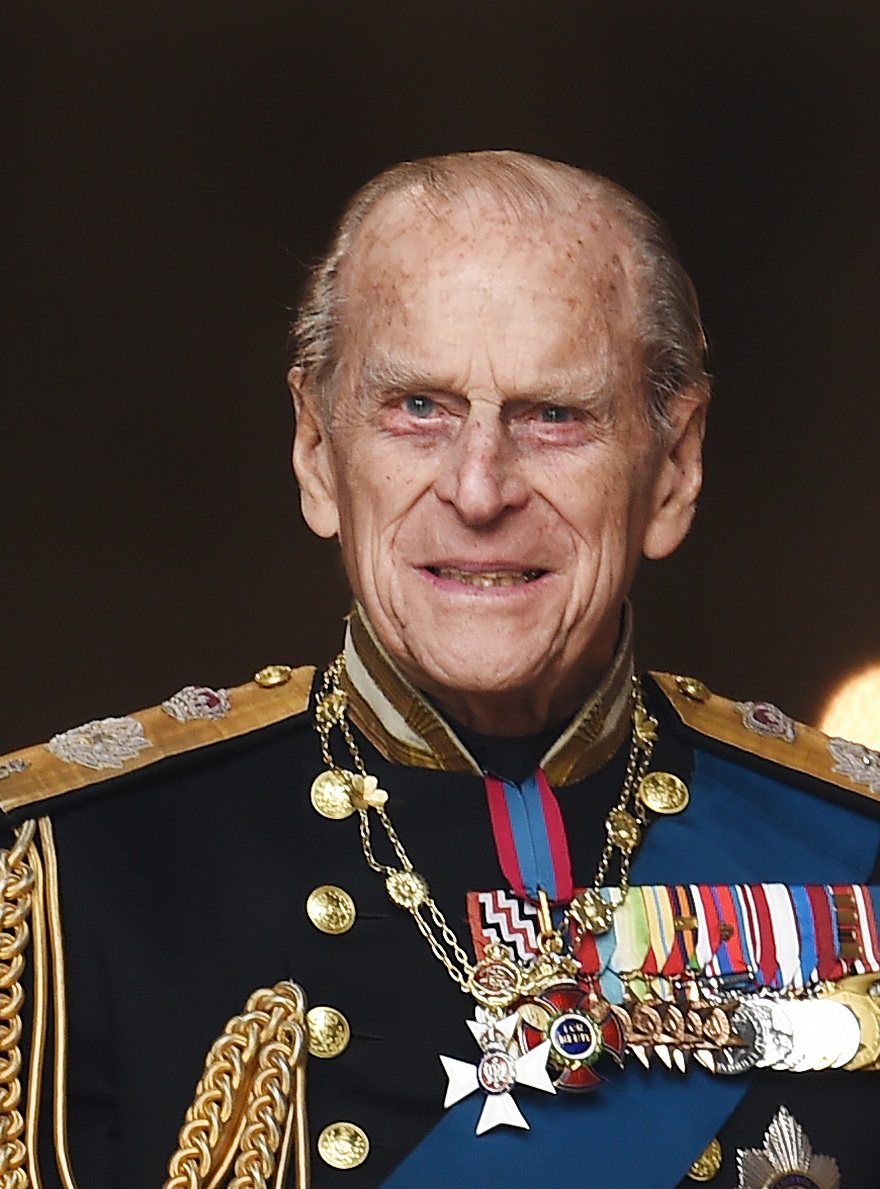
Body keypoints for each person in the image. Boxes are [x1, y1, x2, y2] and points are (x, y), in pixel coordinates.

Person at [2, 150, 880, 1189]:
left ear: (675, 465)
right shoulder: (73, 877)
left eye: (553, 414)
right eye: (418, 406)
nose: (478, 488)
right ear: (317, 451)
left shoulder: (848, 857)